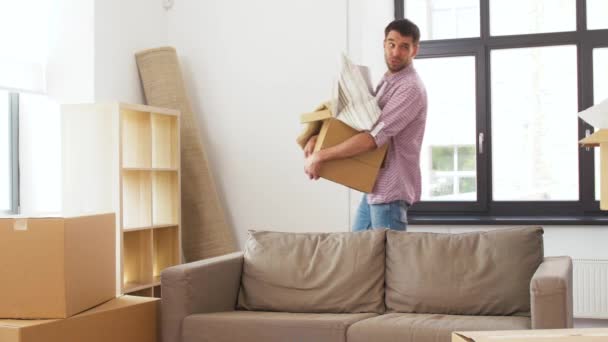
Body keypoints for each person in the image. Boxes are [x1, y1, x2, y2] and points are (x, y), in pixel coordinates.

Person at [304, 18, 427, 231]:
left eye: (404, 47)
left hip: (390, 193)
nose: (395, 52)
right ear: (384, 44)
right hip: (373, 188)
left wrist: (320, 156)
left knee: (390, 264)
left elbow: (372, 138)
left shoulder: (410, 88)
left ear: (414, 50)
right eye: (391, 43)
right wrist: (319, 140)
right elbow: (359, 124)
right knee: (358, 258)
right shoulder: (389, 81)